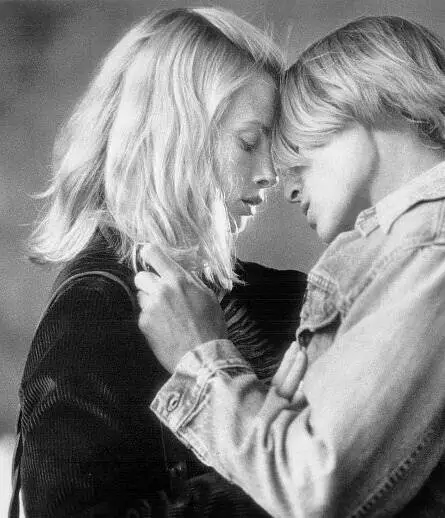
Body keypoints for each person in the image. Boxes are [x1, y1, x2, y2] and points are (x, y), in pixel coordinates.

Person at [135, 15, 445, 517]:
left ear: (372, 104)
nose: (287, 188)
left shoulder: (427, 250)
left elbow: (313, 487)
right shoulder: (406, 249)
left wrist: (200, 357)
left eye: (298, 156)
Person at [16, 7, 308, 517]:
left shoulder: (283, 296)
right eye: (249, 141)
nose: (270, 173)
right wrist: (292, 480)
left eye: (274, 147)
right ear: (177, 134)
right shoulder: (93, 312)